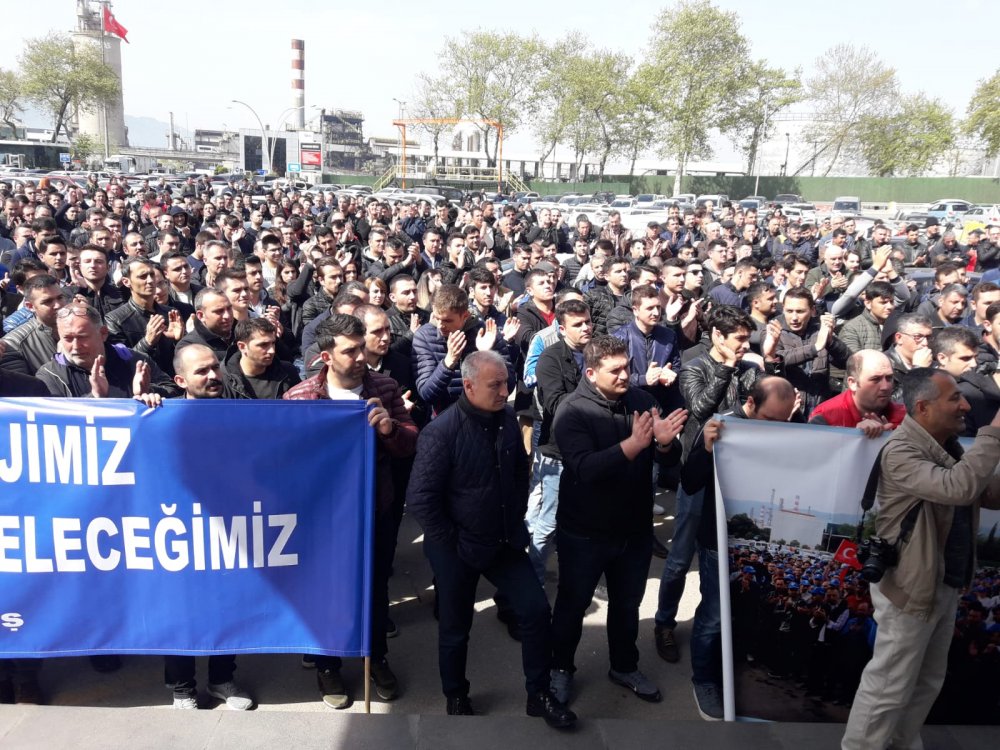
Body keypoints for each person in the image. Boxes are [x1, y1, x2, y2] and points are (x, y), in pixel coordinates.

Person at [406, 350, 577, 729]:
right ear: (468, 386)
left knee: (535, 611)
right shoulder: (441, 432)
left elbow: (518, 471)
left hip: (503, 540)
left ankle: (539, 693)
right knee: (455, 628)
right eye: (495, 385)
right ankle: (456, 695)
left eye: (506, 383)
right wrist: (454, 541)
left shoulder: (507, 420)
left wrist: (514, 515)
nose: (504, 391)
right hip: (455, 549)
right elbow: (421, 499)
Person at [841, 368, 1000, 749]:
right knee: (889, 685)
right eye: (954, 399)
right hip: (911, 586)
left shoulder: (948, 447)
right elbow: (959, 487)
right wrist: (994, 433)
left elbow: (987, 493)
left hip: (943, 581)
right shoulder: (902, 451)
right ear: (923, 407)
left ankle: (900, 744)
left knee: (926, 681)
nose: (965, 406)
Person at [285, 313, 417, 708]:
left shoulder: (385, 388)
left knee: (374, 588)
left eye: (362, 348)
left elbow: (411, 442)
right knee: (327, 589)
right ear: (326, 357)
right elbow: (286, 460)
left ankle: (375, 658)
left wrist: (390, 429)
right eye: (350, 351)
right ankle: (328, 665)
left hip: (375, 508)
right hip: (322, 517)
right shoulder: (301, 398)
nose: (361, 357)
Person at [550, 336, 687, 705]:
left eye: (627, 367)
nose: (626, 375)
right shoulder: (572, 411)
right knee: (573, 604)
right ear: (591, 373)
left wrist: (664, 444)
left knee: (627, 605)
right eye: (616, 370)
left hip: (634, 530)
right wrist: (634, 446)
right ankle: (560, 668)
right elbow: (585, 468)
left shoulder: (641, 401)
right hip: (585, 532)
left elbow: (667, 462)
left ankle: (625, 666)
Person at [685, 376, 799, 719]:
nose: (776, 429)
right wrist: (707, 450)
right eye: (769, 419)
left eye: (784, 421)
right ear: (750, 403)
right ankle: (704, 680)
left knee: (746, 612)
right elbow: (689, 482)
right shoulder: (720, 428)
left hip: (761, 546)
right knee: (714, 616)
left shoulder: (791, 430)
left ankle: (733, 673)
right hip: (718, 542)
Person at [809, 350, 906, 435]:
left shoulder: (905, 417)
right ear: (852, 383)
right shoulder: (825, 417)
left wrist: (891, 439)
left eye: (889, 378)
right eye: (875, 379)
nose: (885, 387)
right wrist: (854, 436)